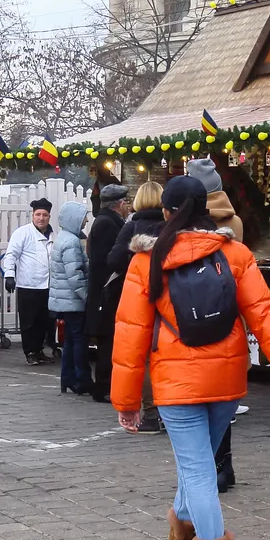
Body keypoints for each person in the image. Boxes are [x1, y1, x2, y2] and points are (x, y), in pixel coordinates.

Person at [112, 176, 270, 540]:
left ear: (166, 212)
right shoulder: (234, 254)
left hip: (177, 381)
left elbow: (130, 337)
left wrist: (127, 402)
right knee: (197, 467)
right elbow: (265, 316)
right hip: (226, 380)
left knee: (198, 471)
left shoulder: (147, 260)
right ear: (208, 208)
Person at [186, 158, 247, 492]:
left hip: (193, 315)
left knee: (199, 396)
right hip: (228, 313)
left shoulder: (189, 220)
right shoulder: (233, 221)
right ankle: (224, 465)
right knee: (223, 394)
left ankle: (206, 467)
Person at [107, 181, 166, 434]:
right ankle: (171, 408)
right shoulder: (171, 227)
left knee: (139, 357)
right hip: (169, 299)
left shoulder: (131, 226)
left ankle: (150, 414)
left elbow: (113, 259)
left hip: (137, 298)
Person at [86, 184, 130, 402]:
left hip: (106, 292)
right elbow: (107, 261)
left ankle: (105, 385)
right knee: (107, 343)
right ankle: (103, 387)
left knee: (109, 341)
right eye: (126, 203)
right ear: (120, 204)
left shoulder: (106, 221)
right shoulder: (107, 224)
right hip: (107, 292)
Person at [4, 199, 55, 366]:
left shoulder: (54, 235)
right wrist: (9, 275)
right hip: (28, 284)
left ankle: (39, 349)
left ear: (49, 216)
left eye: (45, 215)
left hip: (48, 285)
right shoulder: (22, 233)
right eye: (38, 215)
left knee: (44, 320)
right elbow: (11, 254)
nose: (41, 218)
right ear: (32, 215)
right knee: (29, 321)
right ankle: (30, 351)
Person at [50, 201, 91, 394]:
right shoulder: (72, 242)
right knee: (79, 340)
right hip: (73, 300)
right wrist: (87, 296)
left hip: (64, 299)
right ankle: (80, 379)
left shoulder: (63, 239)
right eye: (83, 217)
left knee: (70, 340)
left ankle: (67, 378)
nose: (86, 221)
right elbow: (75, 275)